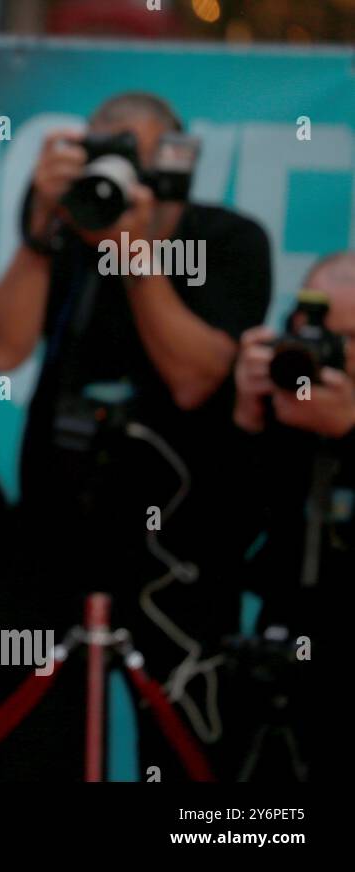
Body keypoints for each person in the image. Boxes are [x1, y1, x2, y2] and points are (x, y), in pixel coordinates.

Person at [0, 91, 272, 779]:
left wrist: (134, 255)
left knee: (185, 753)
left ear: (174, 161)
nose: (114, 171)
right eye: (98, 150)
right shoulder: (69, 235)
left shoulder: (226, 238)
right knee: (28, 740)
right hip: (57, 536)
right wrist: (39, 232)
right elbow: (2, 350)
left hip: (179, 551)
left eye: (129, 154)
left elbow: (197, 378)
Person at [227, 251, 355, 780]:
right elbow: (217, 543)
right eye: (307, 331)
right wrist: (244, 424)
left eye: (343, 339)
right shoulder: (279, 409)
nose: (318, 352)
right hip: (276, 655)